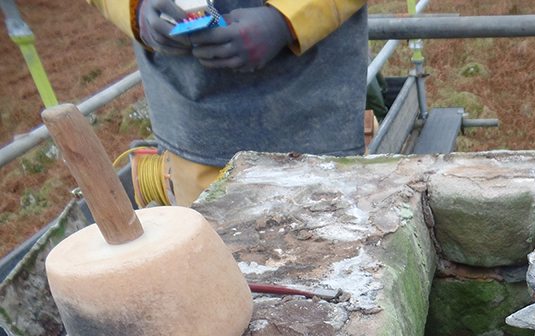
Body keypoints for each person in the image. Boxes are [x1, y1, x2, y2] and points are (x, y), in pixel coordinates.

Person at [86, 0, 369, 205]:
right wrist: (136, 9)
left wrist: (289, 18)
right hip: (194, 123)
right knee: (218, 267)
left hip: (313, 111)